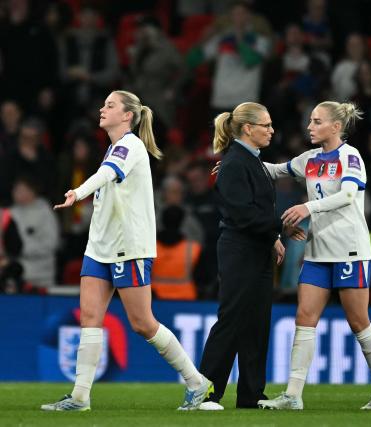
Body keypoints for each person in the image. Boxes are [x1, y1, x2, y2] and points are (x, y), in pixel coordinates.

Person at [41, 90, 210, 411]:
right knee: (89, 317)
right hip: (100, 248)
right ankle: (80, 397)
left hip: (128, 249)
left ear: (127, 116)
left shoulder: (130, 146)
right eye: (103, 104)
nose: (102, 109)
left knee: (143, 323)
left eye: (110, 105)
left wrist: (78, 192)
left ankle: (196, 381)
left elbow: (106, 175)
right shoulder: (112, 148)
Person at [256, 101, 371, 410]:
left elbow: (347, 195)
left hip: (350, 251)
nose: (309, 126)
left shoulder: (351, 156)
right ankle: (293, 395)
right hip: (318, 253)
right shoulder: (309, 159)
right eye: (310, 120)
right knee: (304, 318)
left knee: (359, 321)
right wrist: (238, 161)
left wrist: (308, 207)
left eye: (317, 121)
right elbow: (275, 170)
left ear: (335, 127)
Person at [197, 102, 297, 410]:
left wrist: (272, 239)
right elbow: (243, 214)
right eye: (266, 125)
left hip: (257, 248)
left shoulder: (250, 161)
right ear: (247, 129)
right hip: (239, 249)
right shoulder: (235, 163)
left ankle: (251, 394)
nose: (271, 130)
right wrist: (280, 226)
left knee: (256, 323)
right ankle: (205, 393)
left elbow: (257, 212)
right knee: (232, 319)